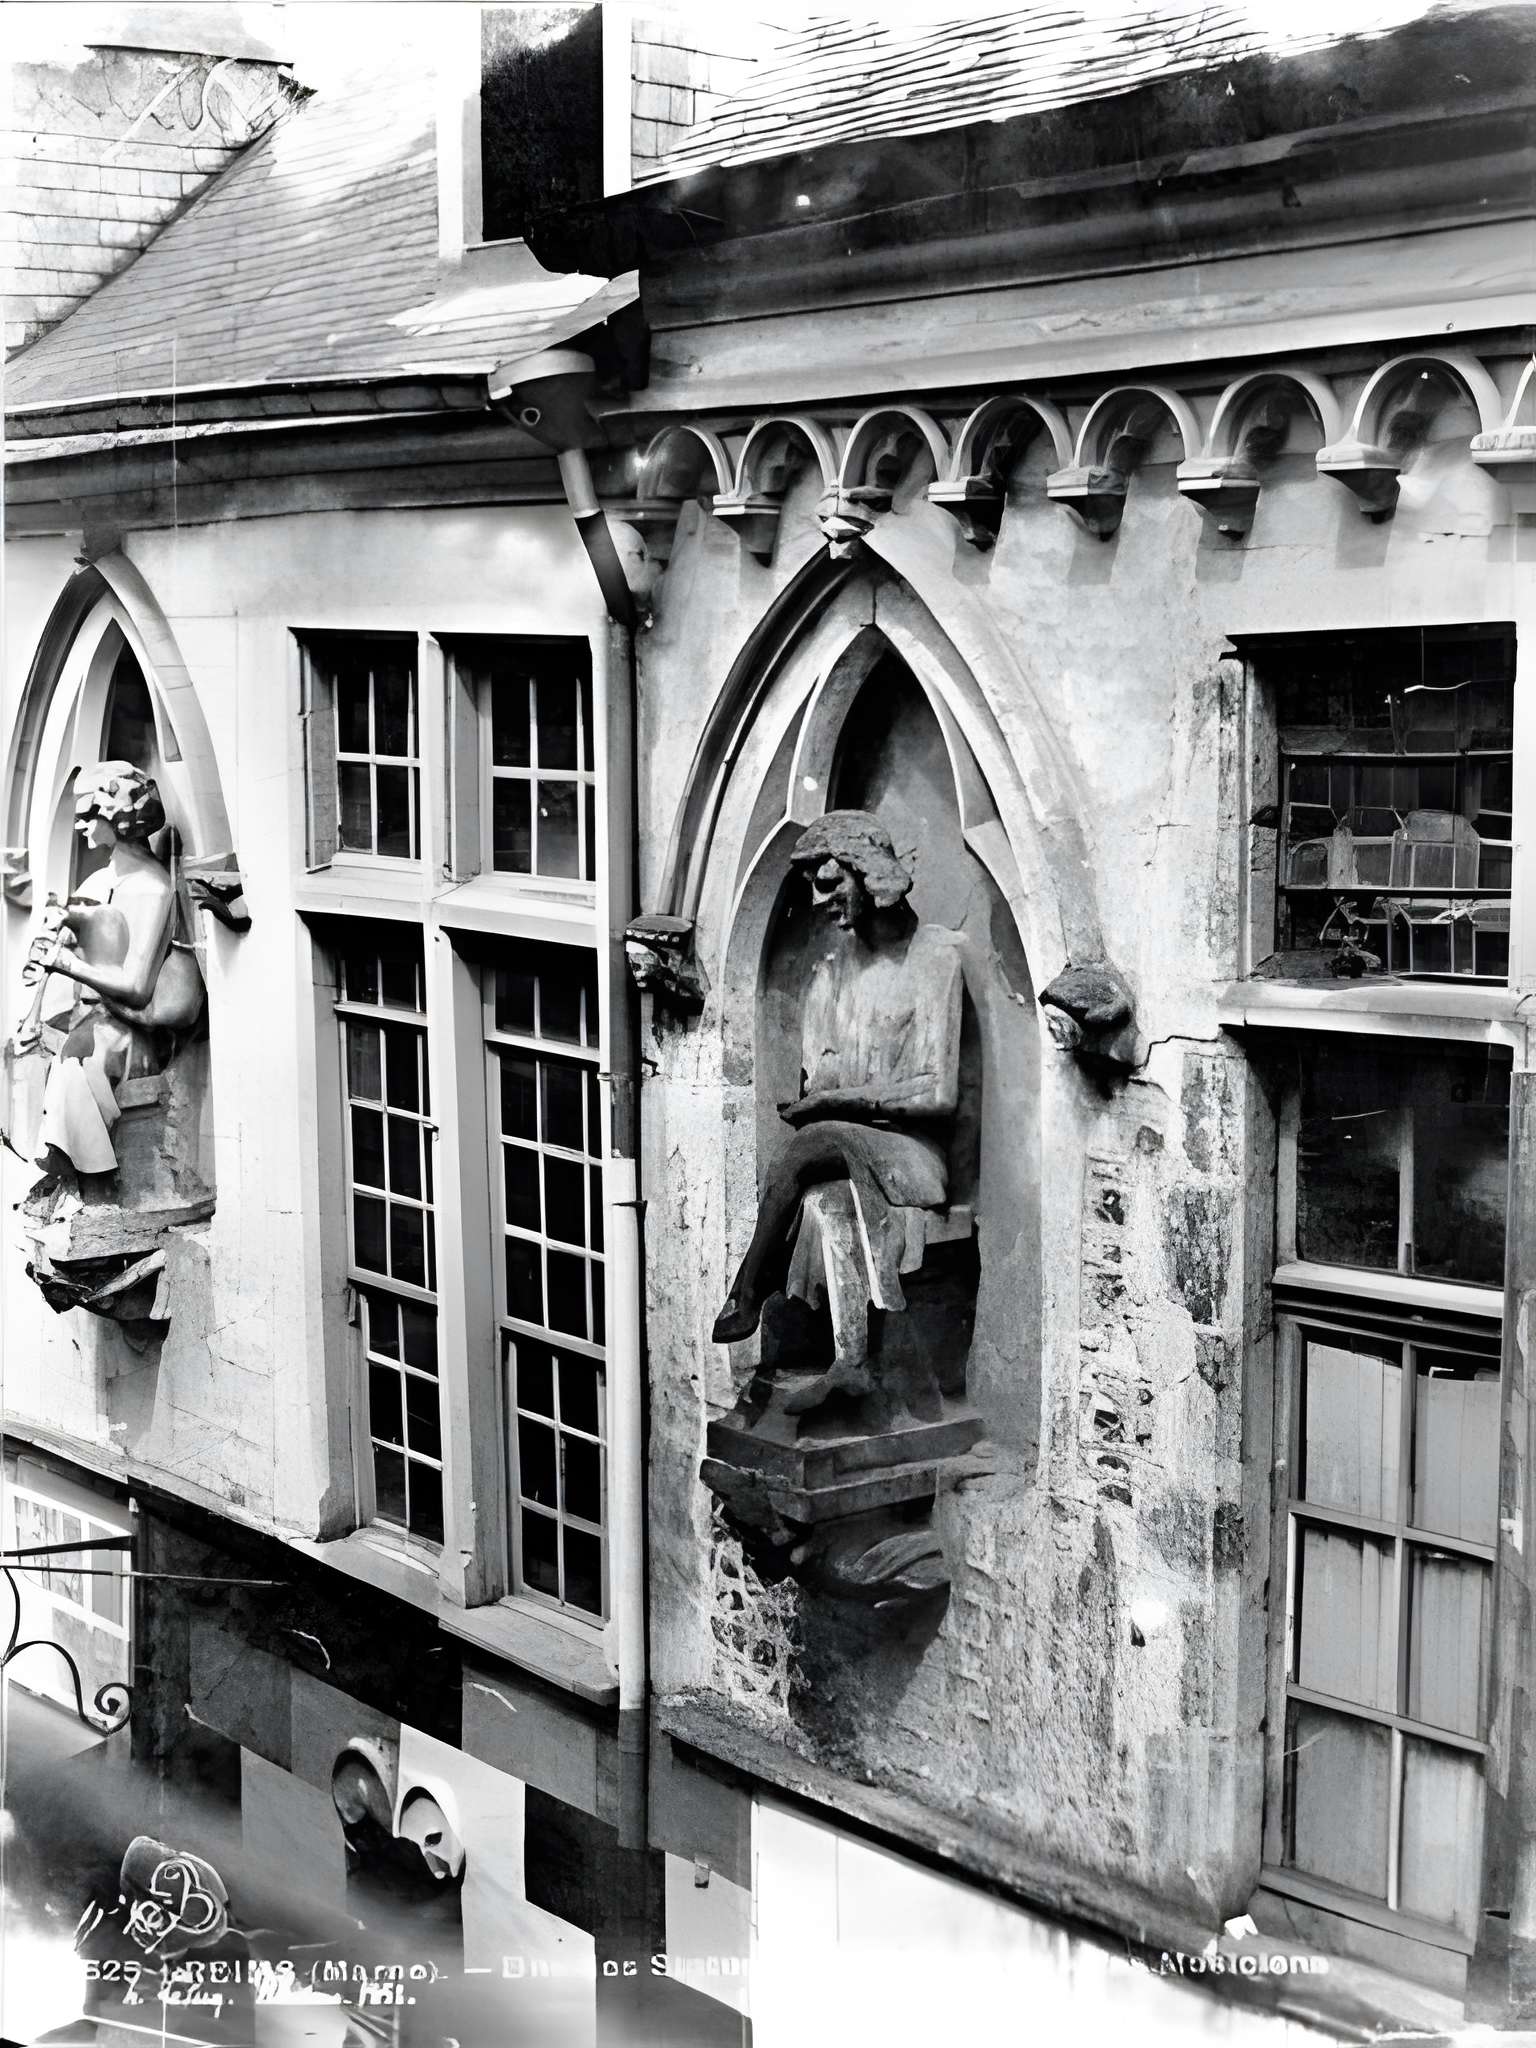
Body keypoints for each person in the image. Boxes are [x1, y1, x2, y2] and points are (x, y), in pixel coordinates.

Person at [712, 809, 964, 1415]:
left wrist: (835, 1102)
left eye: (831, 883)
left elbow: (939, 1094)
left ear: (869, 875)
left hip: (913, 1157)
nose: (821, 901)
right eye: (813, 889)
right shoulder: (828, 977)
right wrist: (824, 1100)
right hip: (837, 1155)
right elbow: (815, 1083)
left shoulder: (935, 959)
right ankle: (850, 1364)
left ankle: (752, 1283)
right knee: (824, 1204)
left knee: (814, 1140)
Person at [22, 761, 204, 1178]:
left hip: (129, 1036)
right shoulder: (97, 883)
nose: (79, 825)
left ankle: (94, 1185)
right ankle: (73, 1181)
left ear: (119, 819)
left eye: (89, 815)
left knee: (76, 1070)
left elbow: (138, 988)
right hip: (90, 1023)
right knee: (55, 1056)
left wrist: (68, 964)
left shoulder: (152, 888)